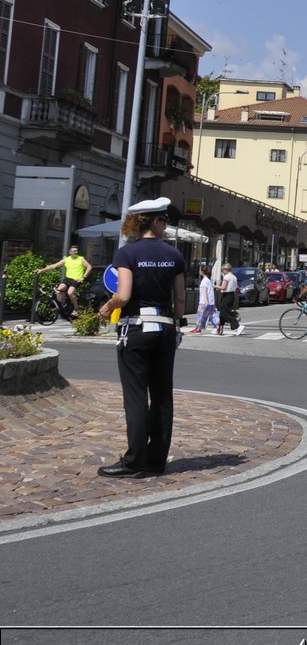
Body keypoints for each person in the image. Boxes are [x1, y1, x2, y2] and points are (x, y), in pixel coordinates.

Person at [95, 198, 184, 478]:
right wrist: (178, 323)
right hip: (166, 328)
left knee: (135, 397)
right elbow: (180, 297)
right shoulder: (174, 255)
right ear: (155, 222)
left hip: (136, 328)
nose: (166, 225)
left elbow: (124, 295)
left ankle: (134, 461)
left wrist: (107, 307)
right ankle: (157, 460)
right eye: (165, 221)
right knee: (162, 395)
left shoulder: (127, 254)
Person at [38, 245, 94, 312]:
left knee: (70, 293)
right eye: (74, 251)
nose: (75, 252)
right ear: (70, 252)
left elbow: (89, 267)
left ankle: (76, 308)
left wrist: (83, 277)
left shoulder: (81, 259)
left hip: (76, 279)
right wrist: (41, 270)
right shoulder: (67, 259)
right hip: (68, 279)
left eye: (76, 251)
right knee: (58, 290)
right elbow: (54, 266)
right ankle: (58, 306)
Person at [192, 267, 218, 334]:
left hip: (204, 301)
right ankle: (217, 327)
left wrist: (205, 300)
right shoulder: (209, 280)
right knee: (211, 315)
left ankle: (198, 328)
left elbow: (204, 291)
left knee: (200, 314)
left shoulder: (204, 281)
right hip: (211, 301)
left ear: (202, 272)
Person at [217, 264, 241, 334]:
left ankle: (237, 326)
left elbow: (223, 287)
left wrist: (216, 286)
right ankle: (220, 329)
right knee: (222, 312)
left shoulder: (227, 276)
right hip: (232, 295)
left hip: (226, 295)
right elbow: (236, 288)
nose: (222, 272)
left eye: (223, 270)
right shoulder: (234, 277)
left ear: (226, 269)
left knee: (225, 312)